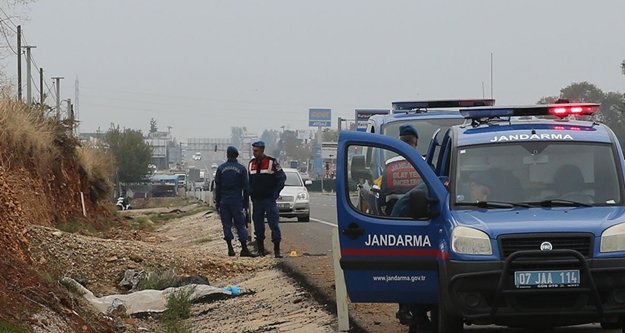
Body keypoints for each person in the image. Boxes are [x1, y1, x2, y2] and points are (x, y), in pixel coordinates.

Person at [390, 176, 449, 332]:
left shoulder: (444, 185)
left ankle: (413, 314)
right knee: (412, 273)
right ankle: (414, 315)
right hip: (405, 225)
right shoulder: (443, 192)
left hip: (412, 222)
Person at [248, 141, 287, 258]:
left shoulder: (271, 162)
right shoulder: (251, 164)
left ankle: (277, 251)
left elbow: (281, 178)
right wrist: (251, 193)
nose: (254, 153)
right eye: (253, 150)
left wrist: (275, 194)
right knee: (258, 227)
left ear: (262, 150)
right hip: (257, 201)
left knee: (274, 225)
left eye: (256, 150)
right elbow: (249, 181)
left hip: (269, 200)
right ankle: (260, 251)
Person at [214, 146, 254, 257]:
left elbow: (218, 187)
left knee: (226, 225)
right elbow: (246, 188)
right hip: (237, 201)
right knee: (240, 225)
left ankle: (230, 248)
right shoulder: (241, 169)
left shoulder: (221, 169)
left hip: (224, 201)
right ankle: (244, 249)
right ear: (237, 155)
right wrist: (245, 203)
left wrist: (217, 202)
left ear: (227, 155)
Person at [378, 124, 422, 215]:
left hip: (395, 218)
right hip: (422, 217)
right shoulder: (425, 163)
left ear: (400, 143)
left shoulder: (389, 165)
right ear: (416, 143)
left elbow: (382, 195)